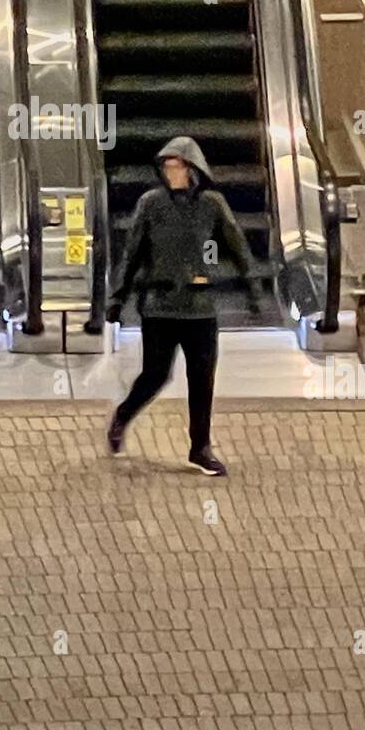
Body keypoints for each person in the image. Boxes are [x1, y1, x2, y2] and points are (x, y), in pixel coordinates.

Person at [105, 135, 264, 477]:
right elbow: (131, 254)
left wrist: (252, 287)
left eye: (174, 164)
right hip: (160, 308)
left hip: (199, 309)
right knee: (156, 375)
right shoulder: (151, 204)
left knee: (202, 379)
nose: (168, 171)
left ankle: (200, 446)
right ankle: (123, 415)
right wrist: (117, 297)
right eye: (165, 165)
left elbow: (236, 247)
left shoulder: (211, 204)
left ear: (191, 168)